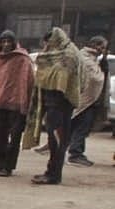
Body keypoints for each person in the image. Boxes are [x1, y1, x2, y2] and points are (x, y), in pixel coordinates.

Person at [22, 27, 84, 185]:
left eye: (48, 43)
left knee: (57, 141)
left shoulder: (68, 55)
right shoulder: (64, 52)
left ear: (54, 41)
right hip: (54, 104)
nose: (46, 47)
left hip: (60, 104)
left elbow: (63, 80)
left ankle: (54, 175)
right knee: (55, 140)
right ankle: (51, 172)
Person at [0, 30, 33, 177]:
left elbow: (28, 81)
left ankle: (8, 166)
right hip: (0, 102)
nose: (6, 44)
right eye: (4, 41)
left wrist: (25, 102)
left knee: (14, 137)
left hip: (16, 103)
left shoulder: (22, 58)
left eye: (9, 41)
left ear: (14, 43)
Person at [66, 36, 108, 167]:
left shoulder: (94, 59)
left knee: (80, 127)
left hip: (88, 101)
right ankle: (75, 154)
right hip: (83, 100)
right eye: (102, 47)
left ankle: (75, 152)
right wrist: (102, 72)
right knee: (81, 128)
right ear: (95, 45)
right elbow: (95, 79)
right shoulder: (85, 57)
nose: (103, 50)